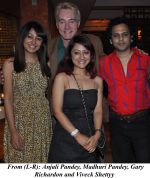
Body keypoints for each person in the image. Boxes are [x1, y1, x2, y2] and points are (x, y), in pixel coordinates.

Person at [99, 16, 150, 163]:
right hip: (117, 123)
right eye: (116, 35)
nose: (121, 39)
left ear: (131, 37)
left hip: (143, 122)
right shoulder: (104, 63)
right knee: (121, 163)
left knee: (145, 162)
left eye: (125, 34)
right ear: (110, 39)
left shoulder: (146, 60)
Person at [48, 34, 103, 163]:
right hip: (66, 138)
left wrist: (98, 133)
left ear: (91, 55)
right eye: (77, 53)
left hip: (90, 138)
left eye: (86, 52)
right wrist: (77, 135)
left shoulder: (97, 80)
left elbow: (98, 110)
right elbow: (56, 111)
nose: (82, 57)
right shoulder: (62, 78)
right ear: (70, 55)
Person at [3, 21, 52, 163]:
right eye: (29, 36)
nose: (33, 42)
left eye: (38, 38)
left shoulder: (46, 64)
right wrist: (13, 131)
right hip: (19, 122)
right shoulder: (10, 64)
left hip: (42, 122)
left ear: (42, 42)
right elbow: (8, 99)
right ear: (22, 38)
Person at [49, 1, 105, 79]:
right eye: (62, 22)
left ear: (78, 23)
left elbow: (107, 68)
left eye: (71, 21)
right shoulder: (48, 46)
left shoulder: (94, 42)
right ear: (57, 25)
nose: (67, 27)